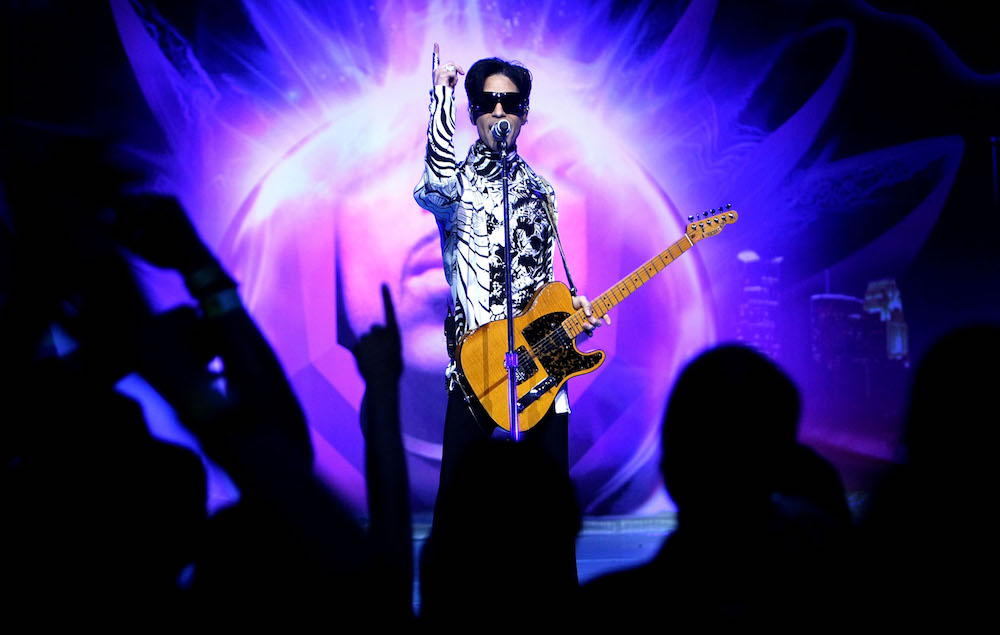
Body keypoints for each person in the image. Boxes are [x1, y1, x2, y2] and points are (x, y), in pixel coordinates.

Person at [413, 45, 608, 500]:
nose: (499, 111)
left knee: (549, 506)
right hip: (478, 365)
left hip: (543, 364)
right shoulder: (458, 186)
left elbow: (545, 280)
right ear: (473, 112)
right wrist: (441, 99)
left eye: (510, 102)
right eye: (487, 102)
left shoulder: (541, 189)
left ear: (524, 113)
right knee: (458, 506)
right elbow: (434, 187)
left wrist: (570, 310)